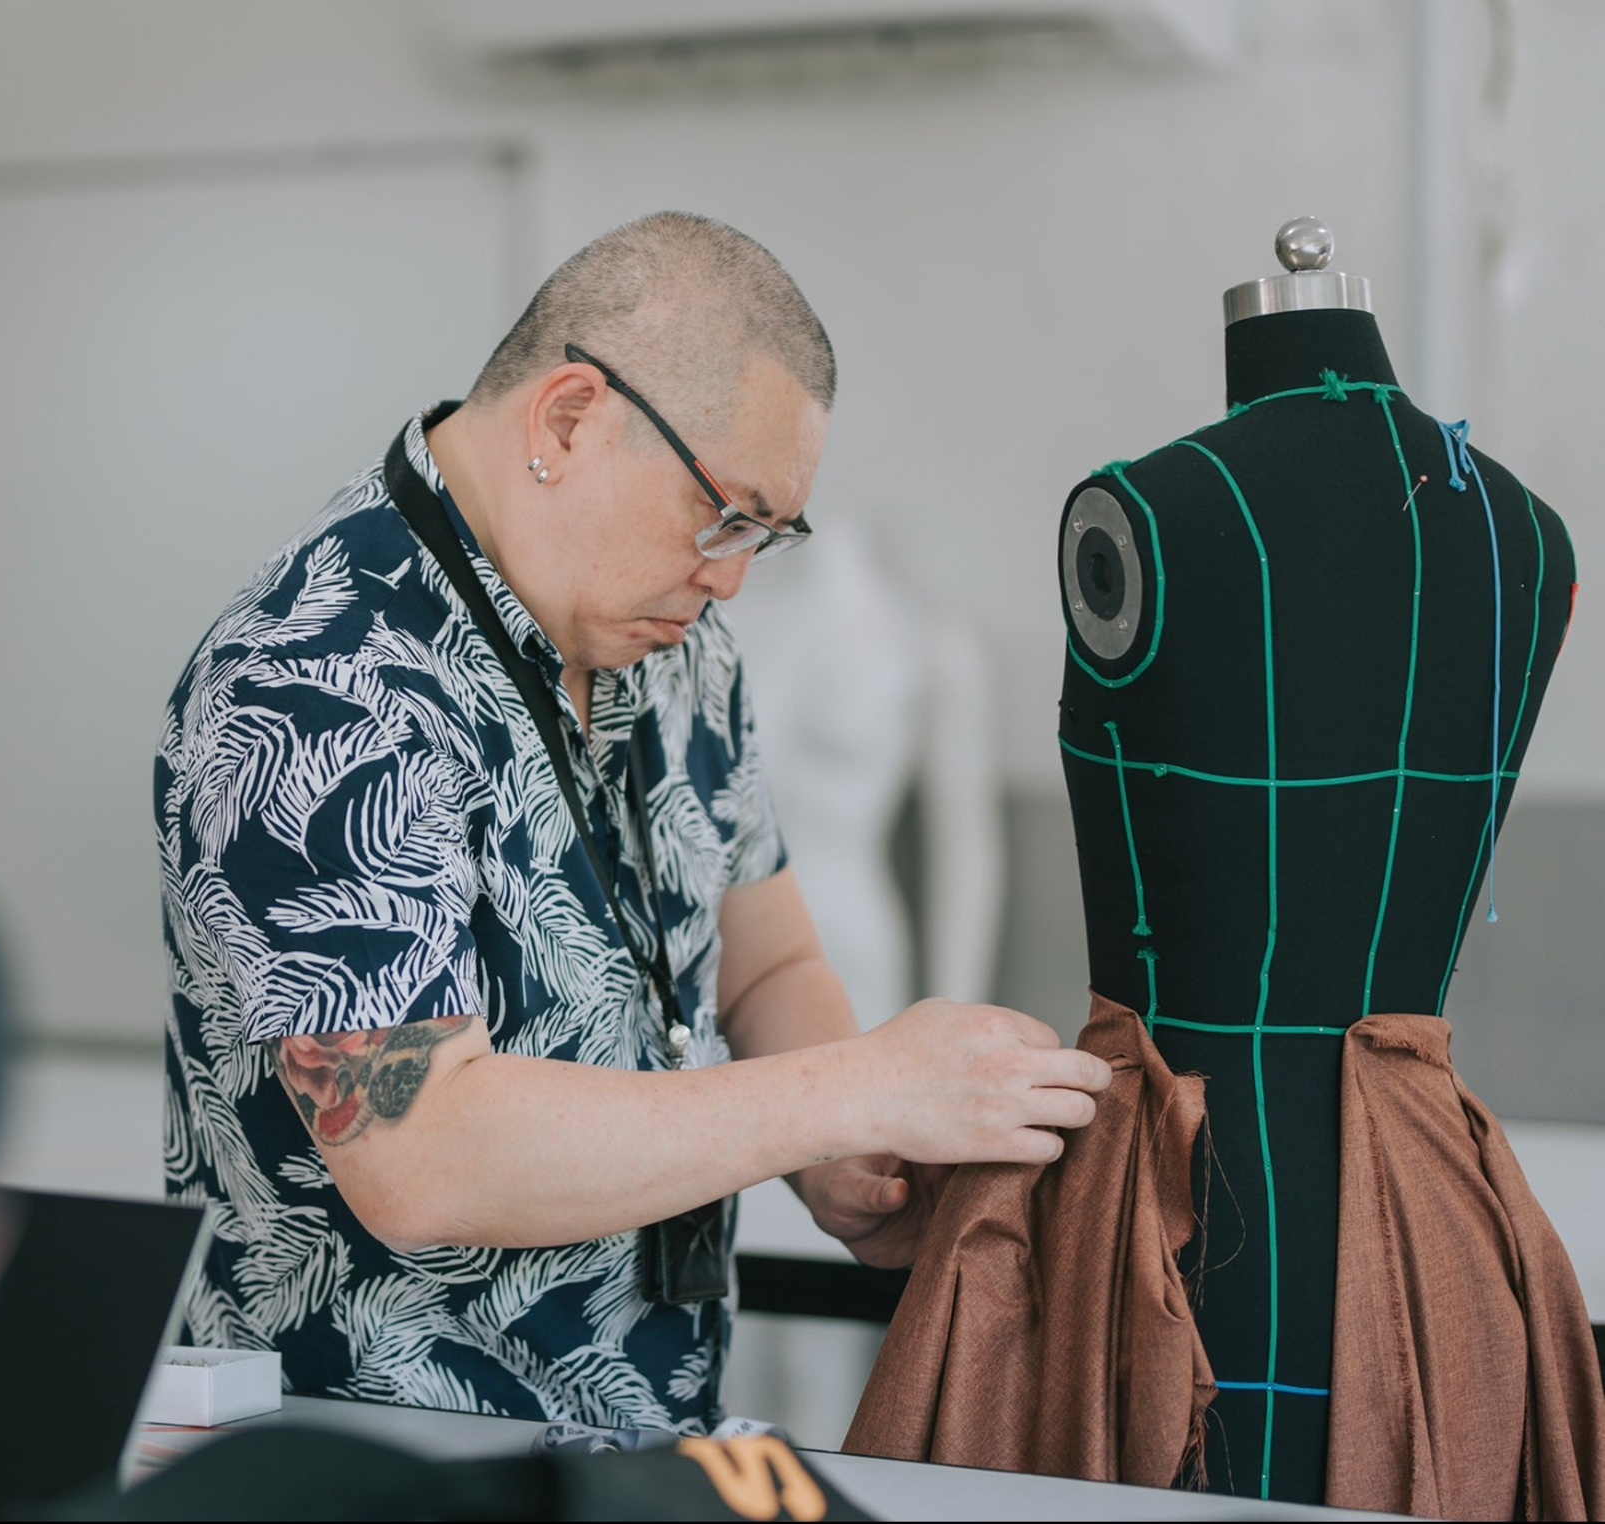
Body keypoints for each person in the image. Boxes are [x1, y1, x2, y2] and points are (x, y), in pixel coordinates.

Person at [157, 212, 1111, 1430]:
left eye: (767, 536)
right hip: (372, 1445)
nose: (732, 578)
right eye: (723, 516)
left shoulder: (681, 651)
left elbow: (765, 961)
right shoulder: (315, 680)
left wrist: (843, 1160)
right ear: (568, 421)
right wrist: (852, 1092)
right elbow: (421, 1154)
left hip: (649, 1421)